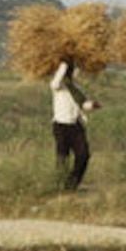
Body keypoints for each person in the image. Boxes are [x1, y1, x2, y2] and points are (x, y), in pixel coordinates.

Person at [50, 59, 101, 191]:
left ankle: (71, 183)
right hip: (60, 125)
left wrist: (92, 105)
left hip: (75, 125)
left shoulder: (76, 88)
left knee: (84, 154)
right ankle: (59, 186)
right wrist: (64, 63)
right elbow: (55, 82)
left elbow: (83, 104)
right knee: (62, 157)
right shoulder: (59, 85)